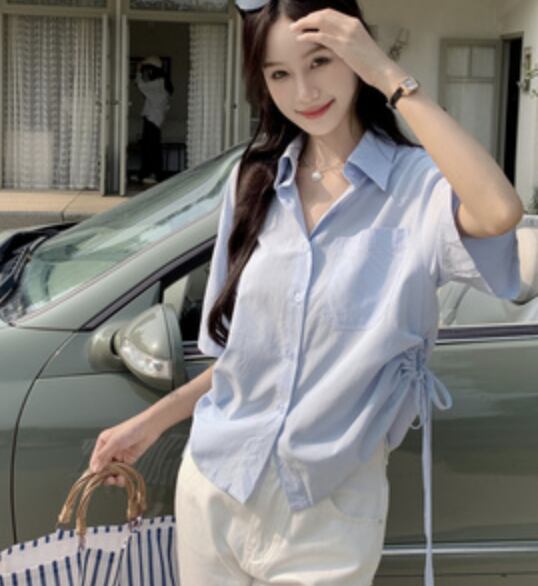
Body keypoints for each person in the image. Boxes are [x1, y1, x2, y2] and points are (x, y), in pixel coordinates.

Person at [89, 0, 524, 584]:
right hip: (217, 487)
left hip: (328, 511)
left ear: (356, 54)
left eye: (321, 61)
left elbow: (498, 212)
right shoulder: (255, 181)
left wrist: (390, 75)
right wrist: (150, 423)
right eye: (279, 73)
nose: (304, 92)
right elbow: (248, 358)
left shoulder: (416, 188)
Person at [134, 56, 174, 185]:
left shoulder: (158, 83)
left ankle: (155, 175)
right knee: (149, 147)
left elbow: (141, 85)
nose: (147, 73)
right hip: (154, 118)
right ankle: (145, 173)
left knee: (152, 148)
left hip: (152, 118)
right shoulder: (162, 83)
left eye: (148, 70)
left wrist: (138, 72)